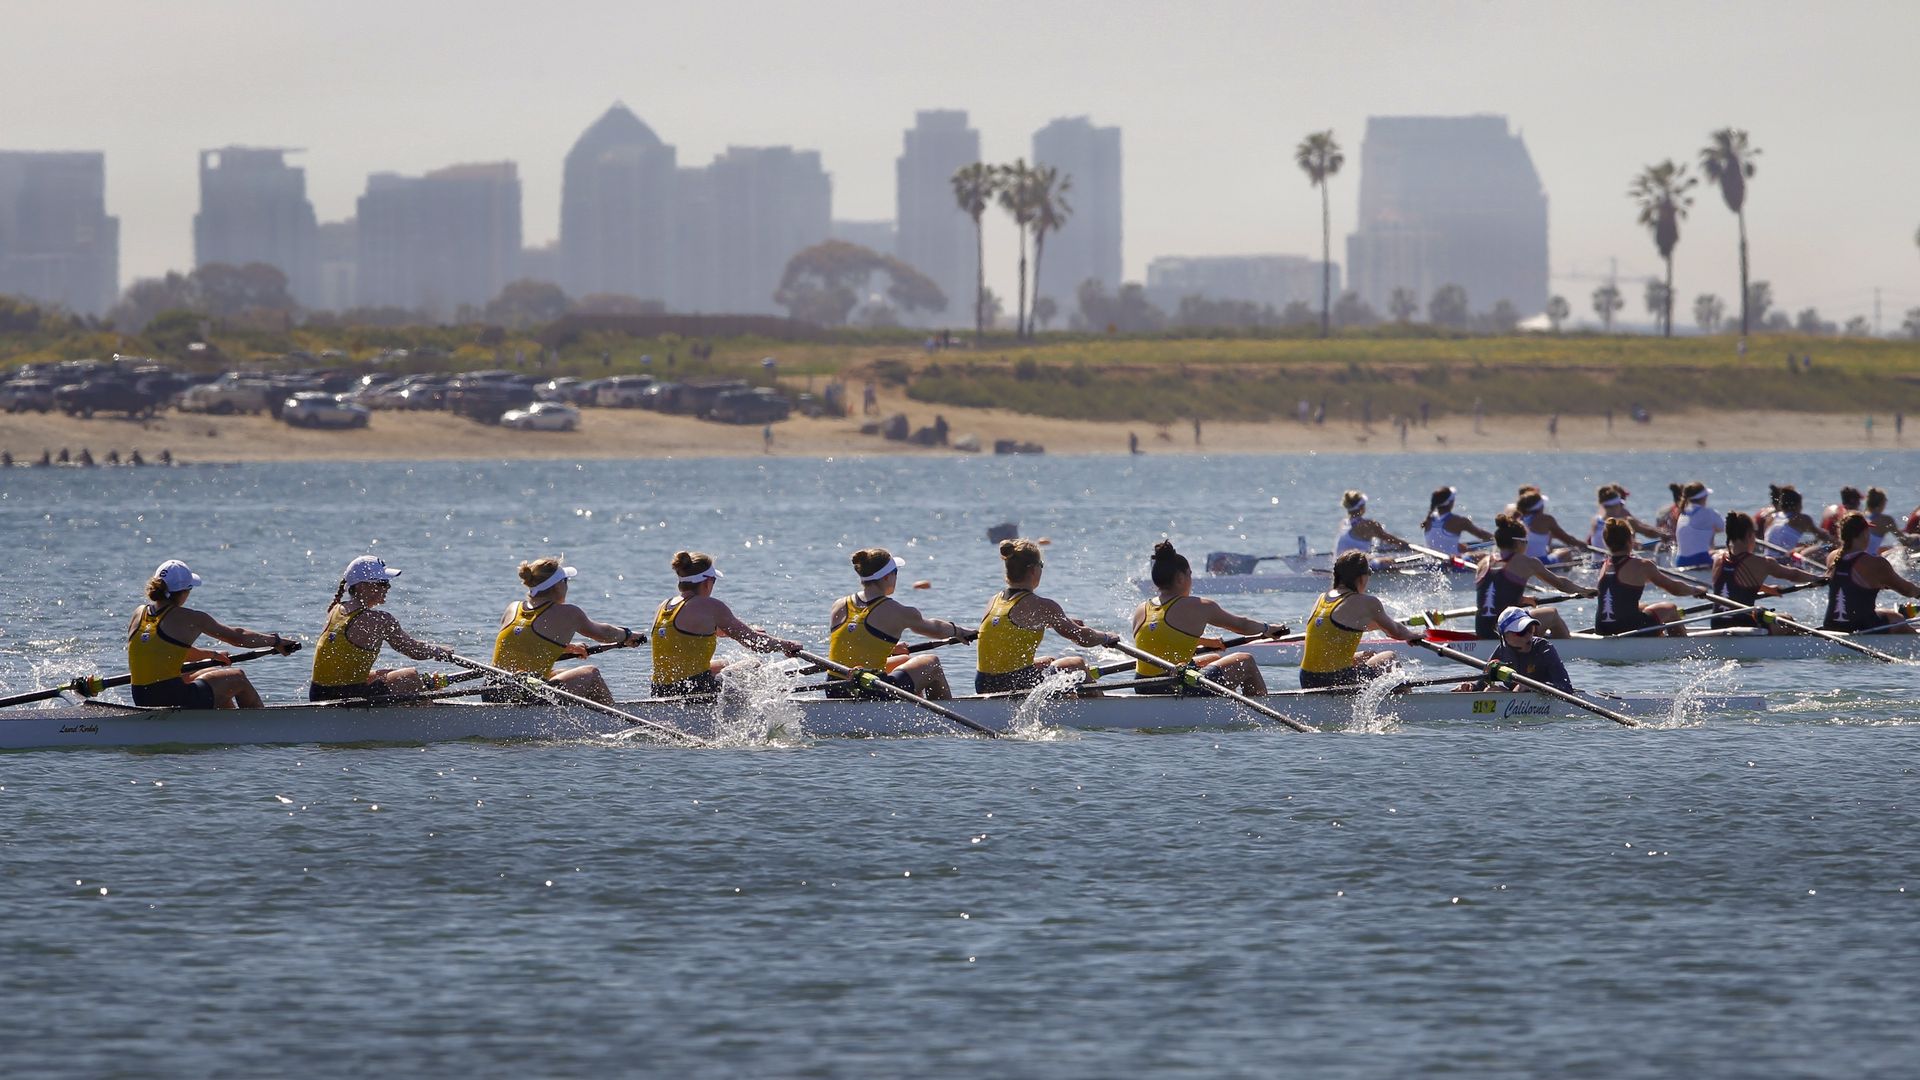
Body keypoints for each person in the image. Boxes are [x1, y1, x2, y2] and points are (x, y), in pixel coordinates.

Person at [126, 559, 298, 709]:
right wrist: (275, 641)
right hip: (171, 698)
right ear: (185, 591)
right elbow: (238, 637)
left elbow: (165, 651)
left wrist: (212, 655)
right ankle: (258, 729)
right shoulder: (191, 618)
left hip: (141, 697)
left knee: (209, 672)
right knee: (237, 677)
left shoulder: (139, 613)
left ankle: (223, 727)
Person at [1132, 541, 1282, 695]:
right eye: (1190, 574)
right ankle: (1257, 714)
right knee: (1245, 660)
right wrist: (1267, 628)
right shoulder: (1199, 606)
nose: (1191, 580)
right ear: (1180, 578)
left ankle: (1222, 706)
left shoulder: (1141, 609)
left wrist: (1208, 642)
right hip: (1173, 686)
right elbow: (1242, 625)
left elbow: (1162, 639)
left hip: (1143, 685)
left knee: (1212, 658)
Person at [974, 538, 1122, 694]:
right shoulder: (1043, 606)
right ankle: (1101, 709)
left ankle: (1069, 703)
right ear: (1033, 570)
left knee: (1048, 662)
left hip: (984, 684)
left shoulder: (994, 601)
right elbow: (1082, 637)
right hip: (1013, 684)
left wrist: (1057, 622)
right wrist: (1105, 637)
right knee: (1076, 663)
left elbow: (1011, 628)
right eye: (1041, 566)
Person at [489, 557, 644, 704]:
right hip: (524, 693)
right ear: (557, 585)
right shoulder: (569, 613)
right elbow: (604, 634)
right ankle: (611, 725)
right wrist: (628, 635)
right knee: (591, 674)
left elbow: (521, 647)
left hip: (492, 690)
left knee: (558, 672)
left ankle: (577, 718)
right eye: (566, 581)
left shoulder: (513, 608)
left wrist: (562, 647)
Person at [826, 548, 974, 700]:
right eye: (896, 572)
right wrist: (959, 631)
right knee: (932, 663)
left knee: (904, 660)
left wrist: (890, 648)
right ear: (887, 577)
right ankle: (943, 718)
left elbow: (851, 640)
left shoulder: (839, 604)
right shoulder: (898, 611)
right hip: (871, 690)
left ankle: (914, 712)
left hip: (834, 689)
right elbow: (936, 629)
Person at [649, 551, 801, 697]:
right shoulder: (710, 605)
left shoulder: (664, 605)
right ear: (707, 582)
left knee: (726, 664)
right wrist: (787, 645)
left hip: (660, 690)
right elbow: (755, 643)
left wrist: (749, 630)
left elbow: (704, 631)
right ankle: (748, 717)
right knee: (754, 664)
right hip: (693, 689)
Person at [309, 555, 456, 701]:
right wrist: (438, 650)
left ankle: (408, 711)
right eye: (382, 583)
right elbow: (413, 650)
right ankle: (427, 720)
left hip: (318, 693)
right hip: (342, 696)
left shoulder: (337, 609)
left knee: (386, 674)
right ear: (362, 586)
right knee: (410, 677)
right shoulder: (379, 620)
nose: (388, 587)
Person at [1299, 551, 1426, 688]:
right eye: (1369, 573)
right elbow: (1395, 632)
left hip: (1307, 678)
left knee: (1368, 655)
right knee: (1389, 657)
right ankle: (1404, 703)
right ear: (1361, 577)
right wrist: (1412, 635)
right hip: (1335, 679)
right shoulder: (1367, 602)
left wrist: (1385, 626)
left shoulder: (1322, 598)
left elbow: (1368, 625)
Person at [1474, 513, 1594, 639]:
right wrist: (1583, 591)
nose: (1527, 545)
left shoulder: (1483, 563)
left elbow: (1495, 593)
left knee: (1527, 616)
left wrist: (1522, 599)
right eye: (1526, 541)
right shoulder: (1527, 563)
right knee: (1552, 614)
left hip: (1483, 630)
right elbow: (1561, 584)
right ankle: (1566, 650)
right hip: (1510, 631)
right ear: (1519, 543)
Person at [1710, 512, 1826, 630]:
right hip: (1743, 623)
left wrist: (1766, 588)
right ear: (1750, 535)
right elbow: (1793, 575)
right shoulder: (1763, 563)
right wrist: (1817, 579)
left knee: (1766, 615)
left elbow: (1732, 583)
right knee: (1787, 619)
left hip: (1716, 623)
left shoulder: (1718, 559)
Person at [1593, 519, 1707, 636]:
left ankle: (1657, 639)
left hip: (1602, 628)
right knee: (1670, 609)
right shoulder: (1643, 565)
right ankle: (1684, 650)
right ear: (1629, 541)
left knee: (1644, 607)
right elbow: (1674, 589)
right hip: (1625, 628)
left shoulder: (1605, 565)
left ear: (1607, 543)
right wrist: (1695, 590)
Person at [1823, 512, 1920, 633]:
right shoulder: (1875, 563)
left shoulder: (1832, 557)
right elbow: (1907, 590)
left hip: (1831, 624)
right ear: (1864, 534)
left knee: (1888, 614)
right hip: (1860, 627)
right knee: (1898, 619)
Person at [1456, 606, 1573, 693]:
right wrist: (1470, 686)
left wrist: (1531, 686)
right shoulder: (1501, 651)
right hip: (1516, 705)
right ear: (1504, 635)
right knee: (1489, 691)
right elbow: (1482, 683)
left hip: (1545, 707)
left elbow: (1566, 687)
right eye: (1521, 632)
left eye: (1530, 629)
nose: (1528, 636)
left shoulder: (1544, 649)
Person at [1511, 487, 1585, 565]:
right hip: (1540, 563)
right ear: (1540, 507)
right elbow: (1568, 540)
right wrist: (1584, 545)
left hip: (1521, 562)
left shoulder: (1517, 520)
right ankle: (1563, 575)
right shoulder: (1547, 520)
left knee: (1553, 551)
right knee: (1567, 553)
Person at [1585, 484, 1665, 549]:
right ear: (1617, 505)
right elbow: (1650, 533)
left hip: (1598, 565)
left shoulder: (1595, 520)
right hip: (1618, 564)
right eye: (1621, 504)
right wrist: (1665, 535)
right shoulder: (1626, 522)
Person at [1334, 490, 1410, 557]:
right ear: (1362, 508)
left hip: (1340, 563)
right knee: (1389, 561)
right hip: (1358, 565)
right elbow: (1389, 539)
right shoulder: (1369, 525)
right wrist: (1407, 545)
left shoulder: (1343, 523)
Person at [1420, 486, 1493, 555]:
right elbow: (1483, 535)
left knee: (1462, 547)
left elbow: (1441, 542)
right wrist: (1499, 538)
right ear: (1451, 502)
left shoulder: (1428, 520)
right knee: (1486, 554)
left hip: (1433, 561)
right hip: (1451, 563)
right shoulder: (1460, 521)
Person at [1761, 485, 1831, 554]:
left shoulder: (1770, 518)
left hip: (1767, 560)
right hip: (1784, 561)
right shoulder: (1802, 518)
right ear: (1798, 505)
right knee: (1827, 547)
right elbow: (1824, 537)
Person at [1672, 481, 1723, 569]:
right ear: (1704, 497)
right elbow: (1725, 527)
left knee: (1713, 552)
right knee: (1727, 555)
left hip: (1680, 561)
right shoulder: (1708, 513)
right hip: (1700, 559)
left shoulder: (1683, 513)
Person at [1863, 488, 1915, 555]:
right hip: (1870, 559)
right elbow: (1904, 540)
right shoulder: (1886, 520)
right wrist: (1915, 537)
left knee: (1888, 548)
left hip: (1858, 558)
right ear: (1882, 502)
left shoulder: (1861, 517)